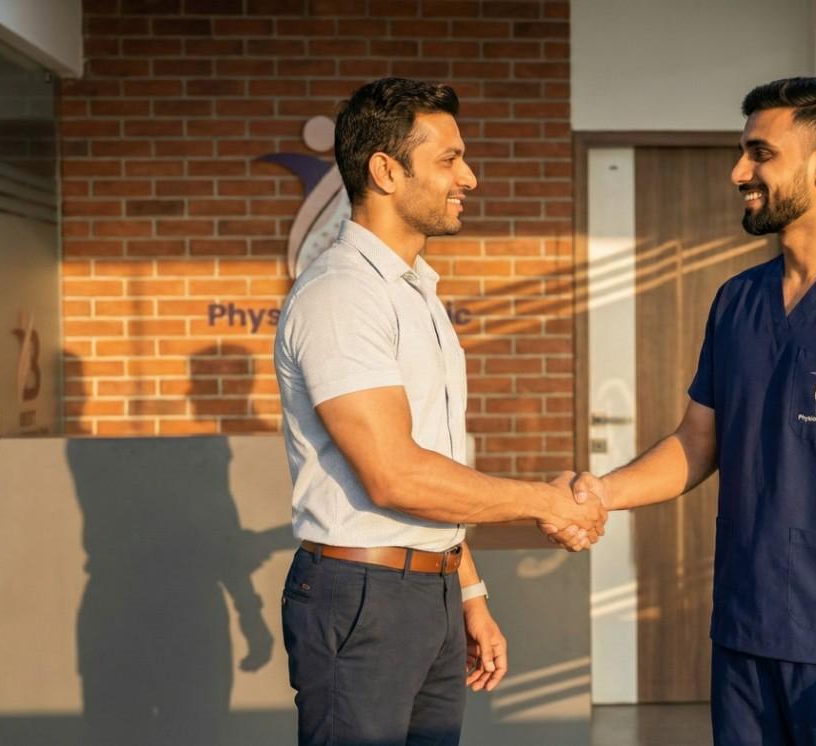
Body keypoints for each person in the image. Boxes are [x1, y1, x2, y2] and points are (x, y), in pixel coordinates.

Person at [571, 77, 816, 744]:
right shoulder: (737, 302)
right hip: (744, 637)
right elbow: (697, 444)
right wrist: (598, 495)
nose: (739, 172)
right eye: (742, 153)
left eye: (760, 154)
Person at [274, 77, 605, 746]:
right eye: (449, 159)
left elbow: (437, 465)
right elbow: (396, 475)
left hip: (430, 590)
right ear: (386, 171)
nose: (470, 177)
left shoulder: (417, 294)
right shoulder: (344, 296)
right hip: (365, 597)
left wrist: (469, 591)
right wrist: (546, 501)